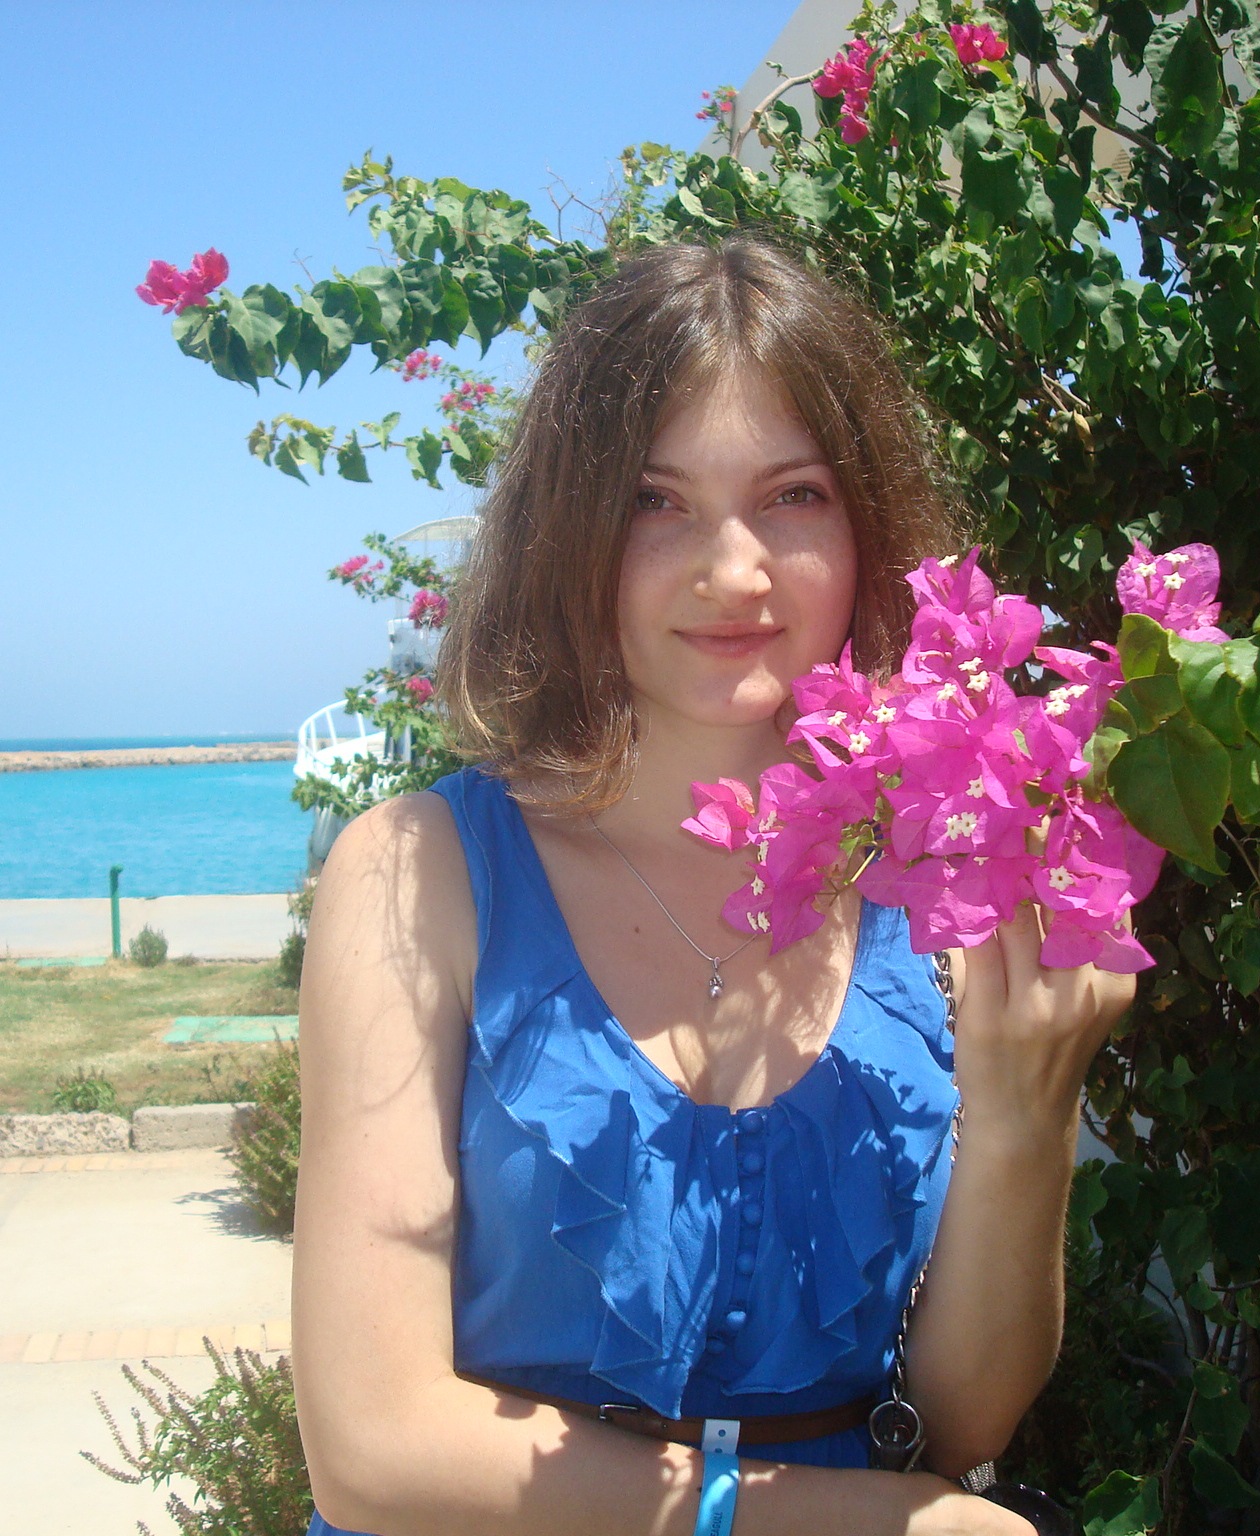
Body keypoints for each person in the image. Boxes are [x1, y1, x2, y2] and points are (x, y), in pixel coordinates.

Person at [292, 236, 1134, 1536]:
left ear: (865, 525)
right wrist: (830, 1520)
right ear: (571, 532)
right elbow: (374, 1447)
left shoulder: (943, 887)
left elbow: (959, 1423)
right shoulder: (417, 878)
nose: (732, 571)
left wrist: (1029, 1116)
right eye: (655, 500)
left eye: (793, 495)